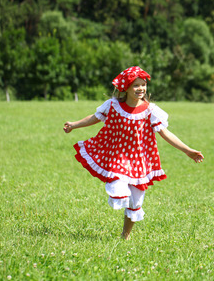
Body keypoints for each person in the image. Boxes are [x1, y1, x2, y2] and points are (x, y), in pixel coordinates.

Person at [63, 66, 204, 240]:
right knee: (119, 185)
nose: (140, 89)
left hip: (140, 161)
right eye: (136, 85)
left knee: (135, 203)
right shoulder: (113, 105)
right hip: (117, 156)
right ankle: (120, 194)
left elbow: (166, 134)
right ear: (126, 88)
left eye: (143, 85)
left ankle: (125, 236)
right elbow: (95, 117)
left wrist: (187, 150)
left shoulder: (151, 110)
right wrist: (74, 124)